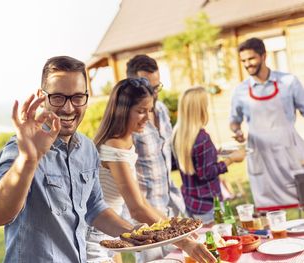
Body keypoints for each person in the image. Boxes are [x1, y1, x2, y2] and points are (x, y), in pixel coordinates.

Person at [0, 56, 137, 263]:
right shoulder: (20, 149)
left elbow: (95, 209)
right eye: (58, 97)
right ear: (42, 97)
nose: (68, 108)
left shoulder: (87, 149)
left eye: (77, 97)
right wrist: (28, 160)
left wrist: (136, 233)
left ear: (86, 96)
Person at [86, 78, 216, 263]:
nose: (147, 118)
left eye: (149, 110)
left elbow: (143, 203)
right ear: (122, 110)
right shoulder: (114, 146)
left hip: (108, 235)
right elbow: (137, 209)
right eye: (140, 111)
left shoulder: (124, 141)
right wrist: (183, 242)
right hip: (95, 239)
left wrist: (178, 228)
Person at [230, 37, 304, 210]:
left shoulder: (289, 82)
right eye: (244, 61)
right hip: (260, 155)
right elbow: (234, 121)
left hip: (289, 153)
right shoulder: (240, 91)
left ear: (264, 56)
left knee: (300, 201)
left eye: (251, 58)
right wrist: (237, 132)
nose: (247, 64)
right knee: (268, 213)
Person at [125, 54, 186, 261]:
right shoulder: (127, 121)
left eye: (157, 87)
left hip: (172, 205)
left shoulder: (160, 109)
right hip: (146, 216)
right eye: (149, 88)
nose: (154, 94)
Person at [172, 87, 245, 225]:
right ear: (200, 109)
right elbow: (206, 173)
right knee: (220, 241)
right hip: (209, 206)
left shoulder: (179, 135)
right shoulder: (202, 138)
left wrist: (216, 152)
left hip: (192, 203)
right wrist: (231, 159)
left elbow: (195, 160)